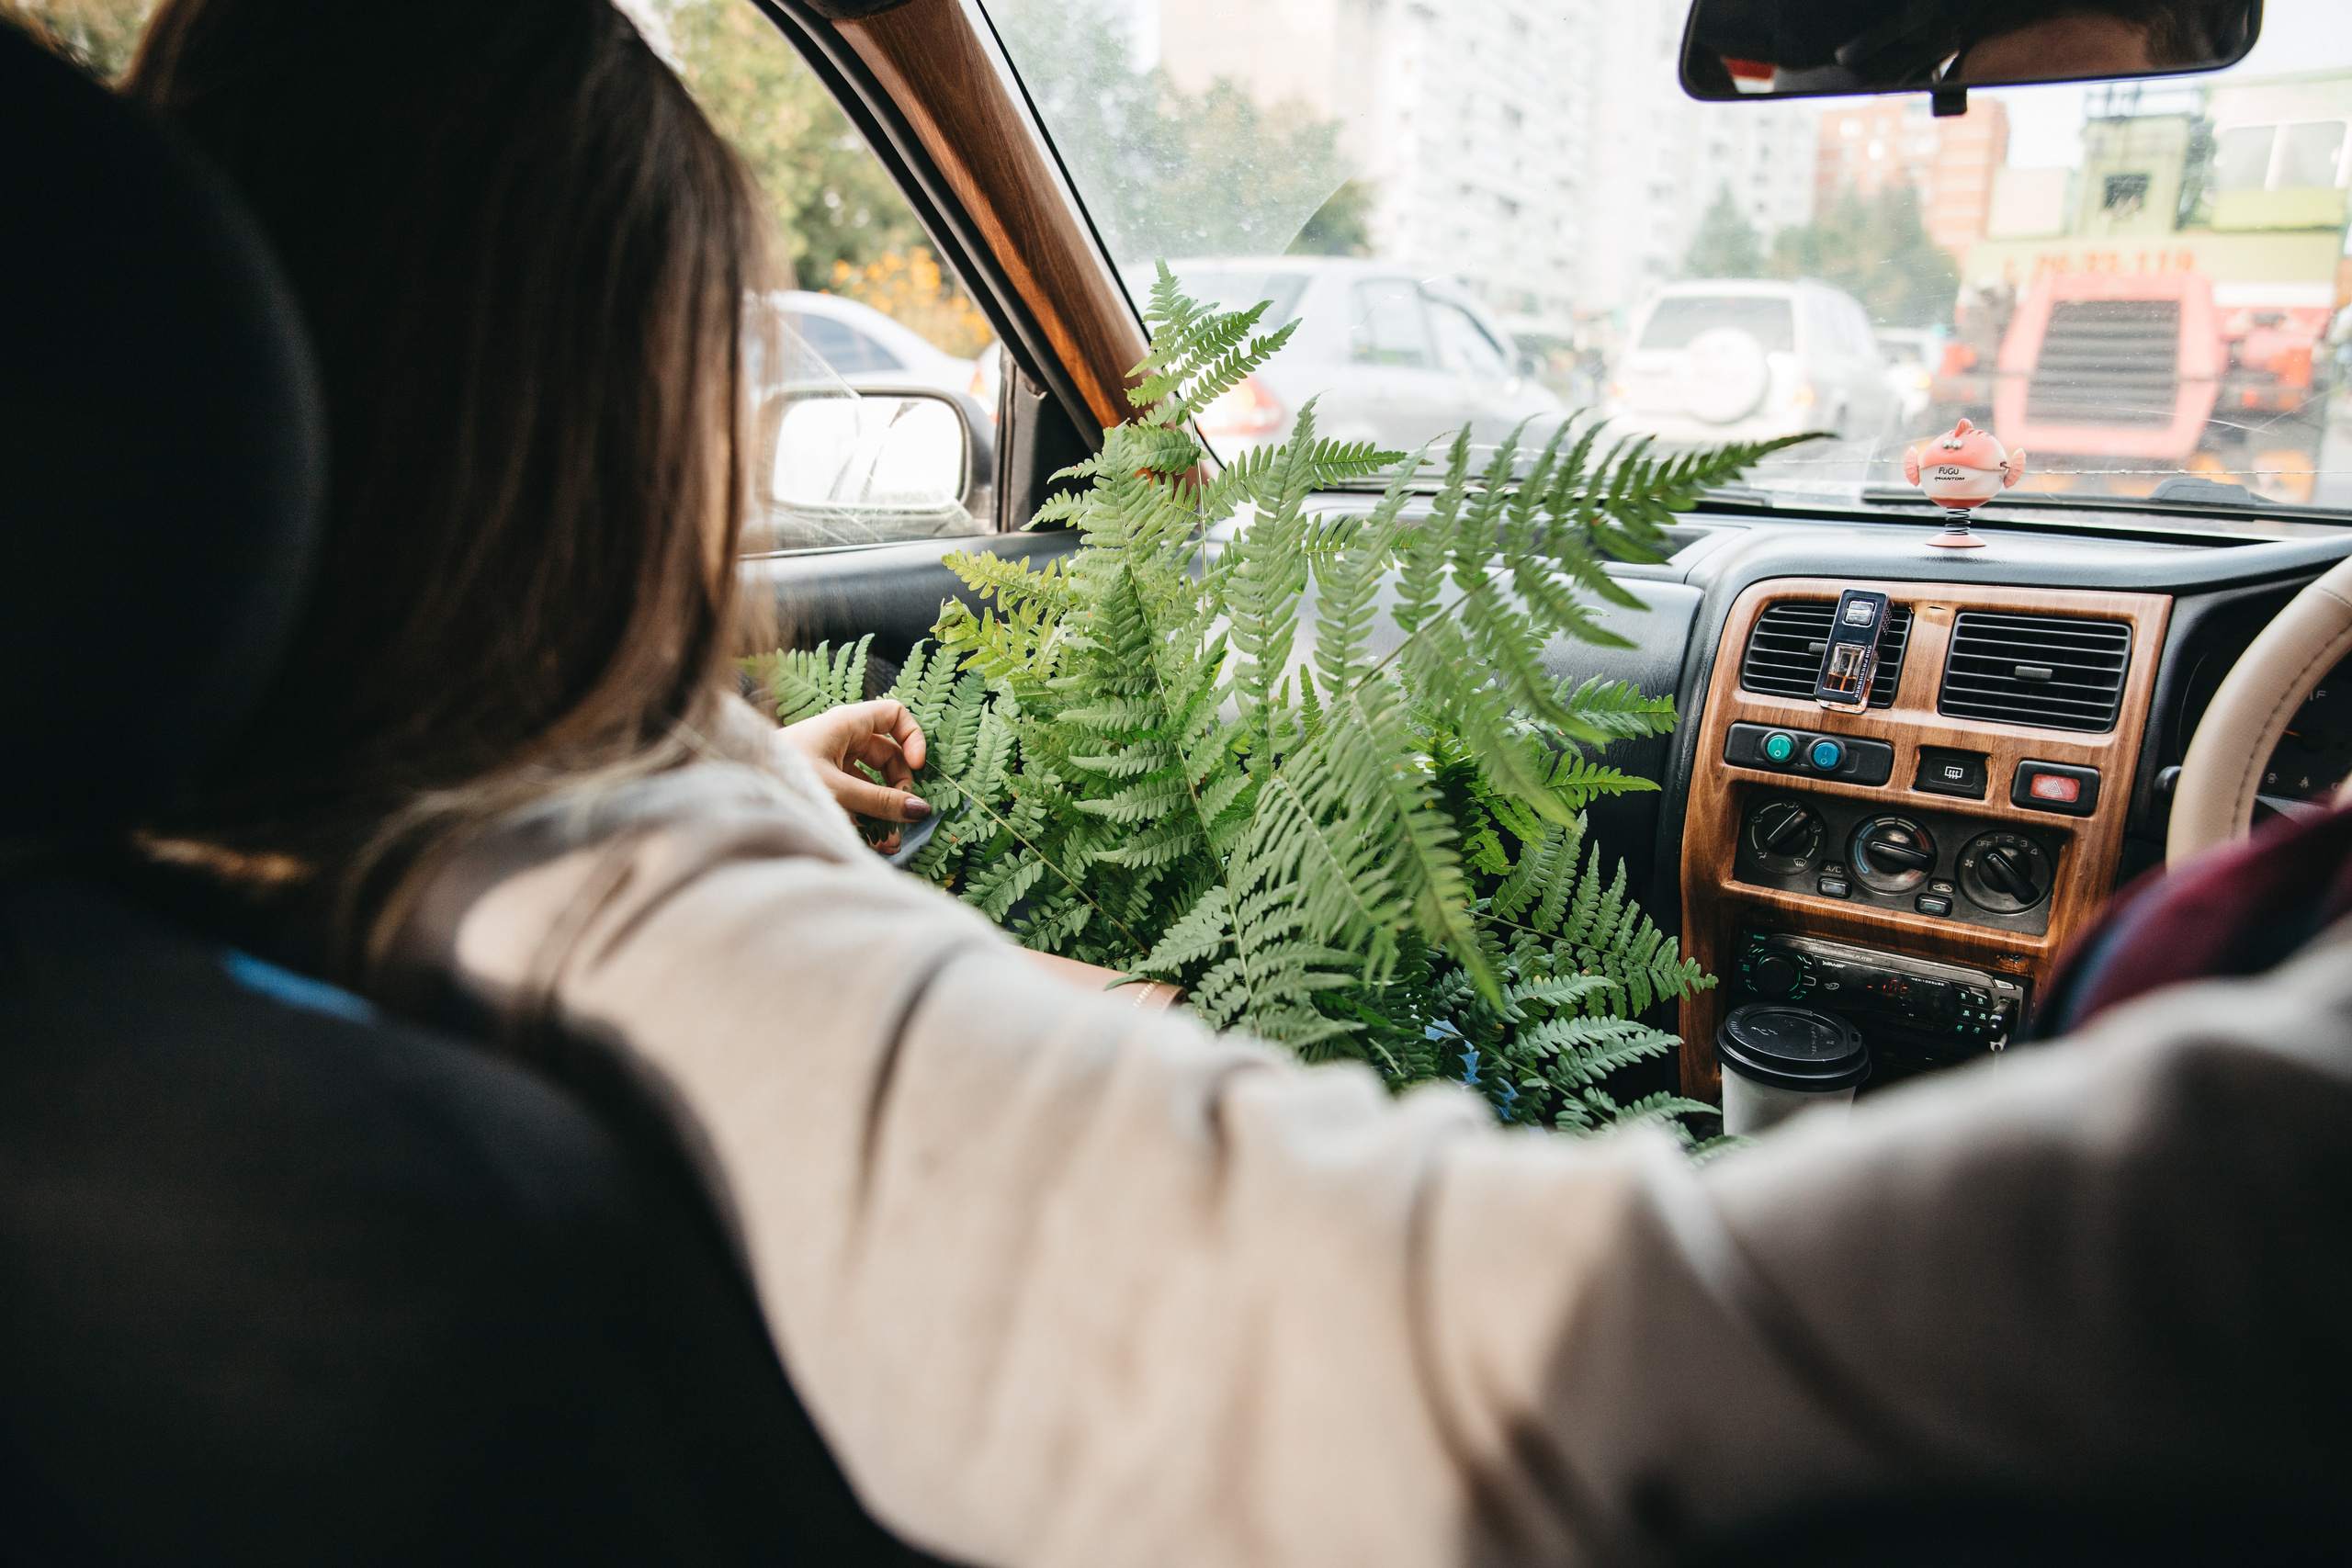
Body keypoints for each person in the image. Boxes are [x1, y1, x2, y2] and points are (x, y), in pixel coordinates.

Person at [122, 2, 2346, 1565]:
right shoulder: (637, 915)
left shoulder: (168, 847)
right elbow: (1576, 1364)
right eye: (733, 347)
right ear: (604, 431)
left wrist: (769, 784)